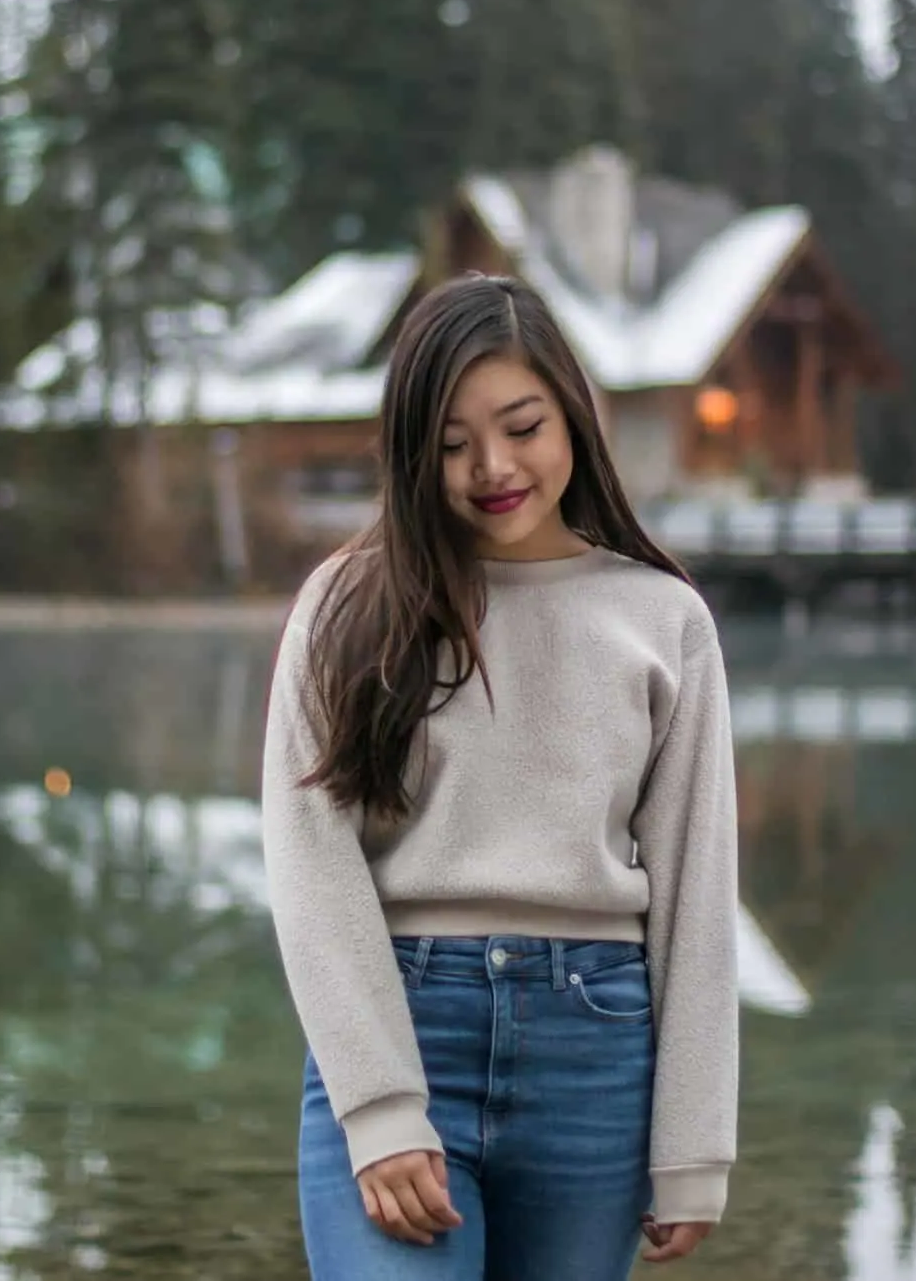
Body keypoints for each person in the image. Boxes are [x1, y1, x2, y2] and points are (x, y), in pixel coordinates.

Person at [261, 273, 738, 1280]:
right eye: (447, 443)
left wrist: (693, 1141)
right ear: (408, 453)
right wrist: (381, 1102)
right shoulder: (348, 605)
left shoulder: (662, 620)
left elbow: (697, 887)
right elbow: (310, 861)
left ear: (572, 410)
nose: (491, 466)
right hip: (404, 1029)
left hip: (597, 1052)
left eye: (521, 425)